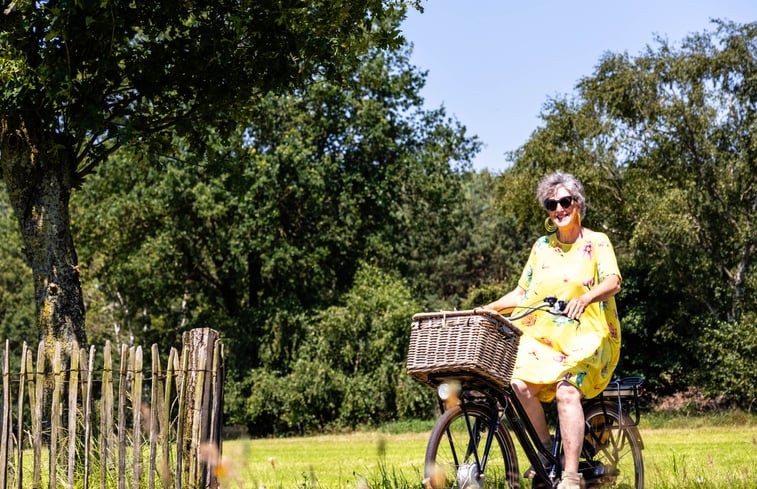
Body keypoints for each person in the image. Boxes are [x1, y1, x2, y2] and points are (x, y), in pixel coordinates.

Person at [482, 170, 622, 489]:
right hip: (545, 339)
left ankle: (571, 477)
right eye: (551, 203)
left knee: (566, 390)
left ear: (578, 203)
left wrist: (586, 297)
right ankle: (548, 454)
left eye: (565, 201)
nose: (558, 208)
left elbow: (613, 282)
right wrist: (487, 309)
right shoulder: (542, 247)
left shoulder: (597, 242)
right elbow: (520, 293)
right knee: (517, 384)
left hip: (590, 336)